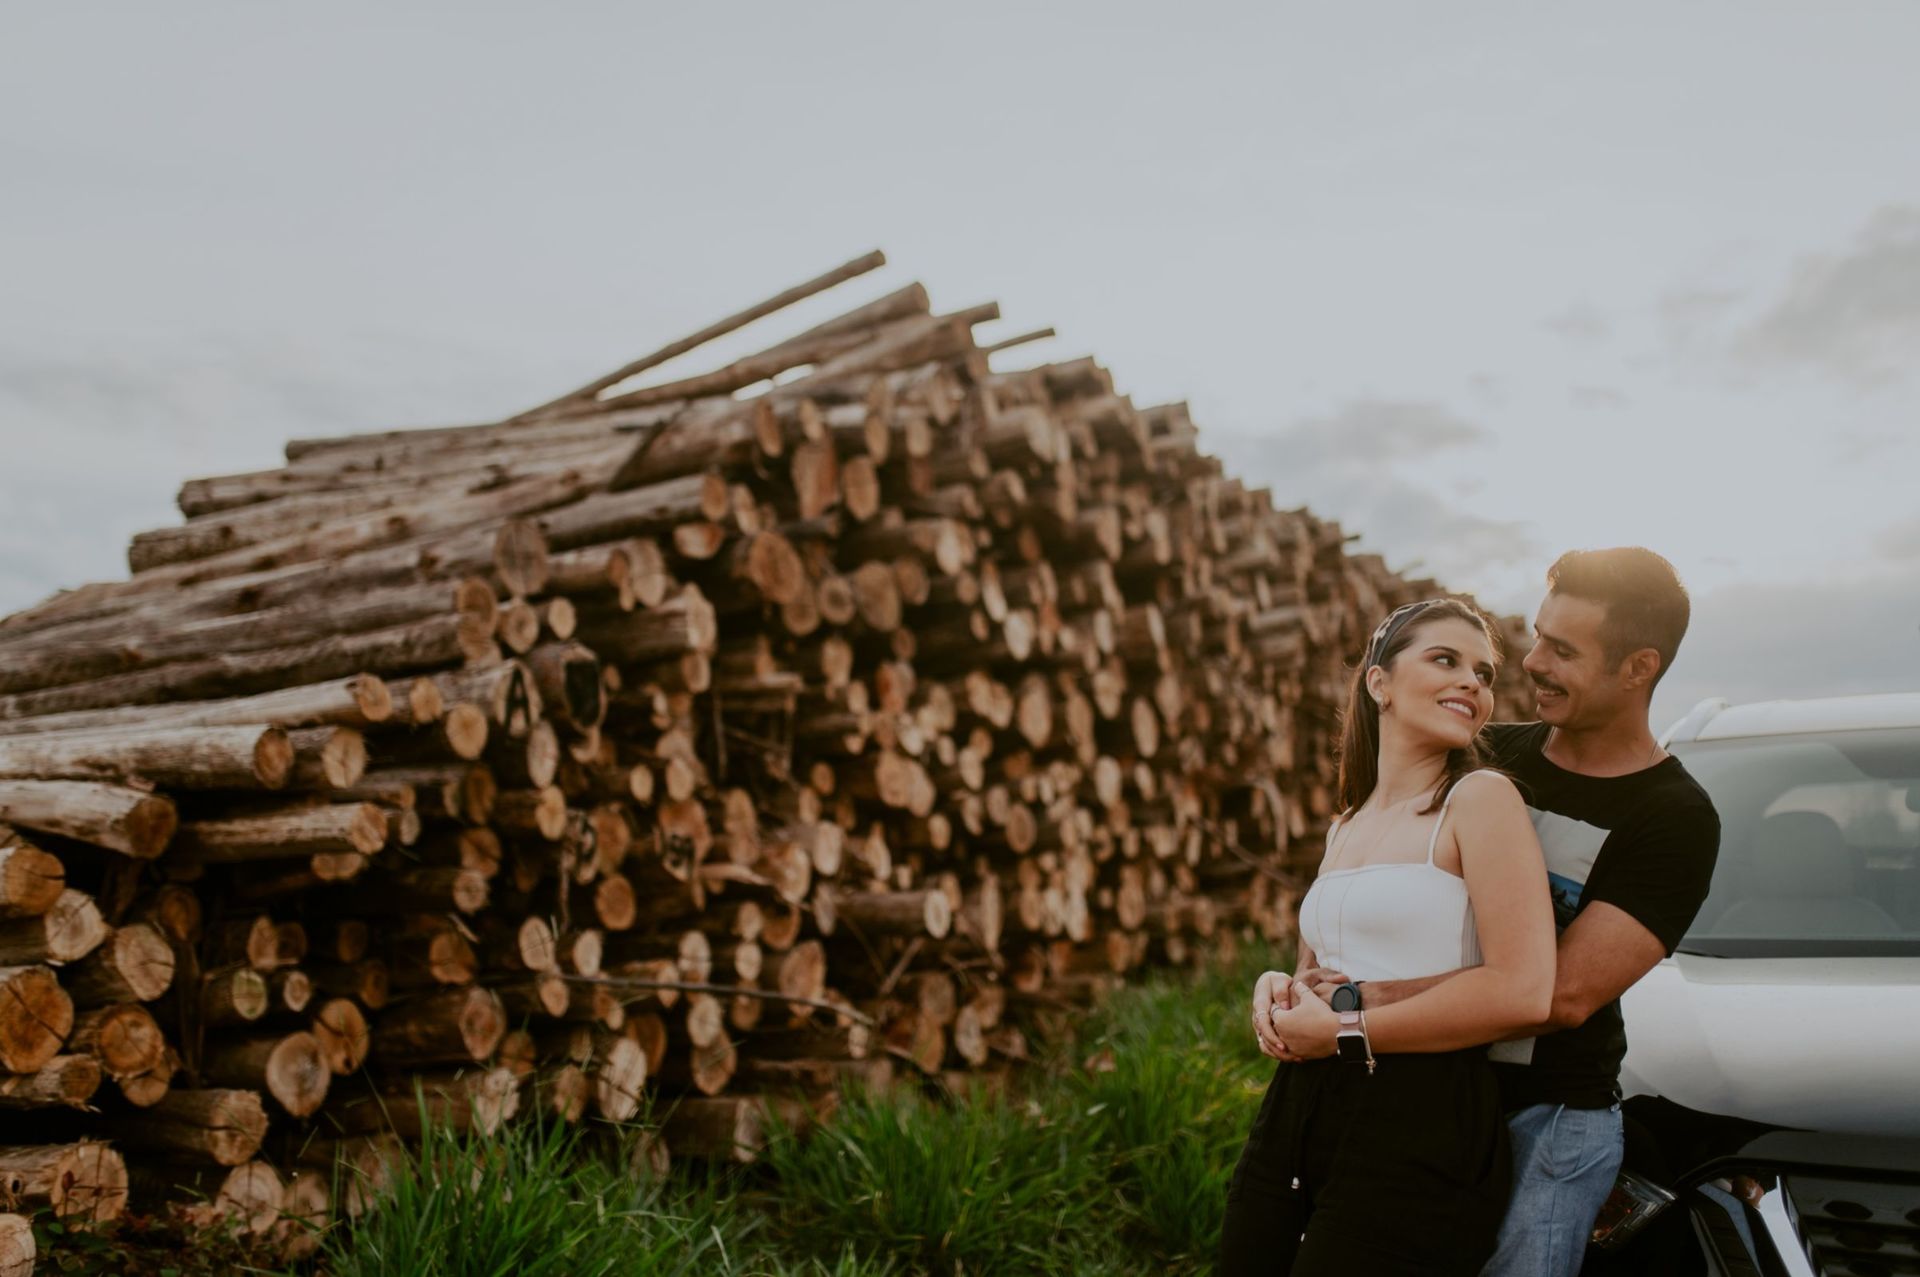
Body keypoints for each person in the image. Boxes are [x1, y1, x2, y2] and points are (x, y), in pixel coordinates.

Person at [1250, 547, 1721, 1277]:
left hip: (1546, 1114)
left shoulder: (1674, 817)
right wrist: (1306, 980)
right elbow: (1377, 878)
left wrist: (1349, 1006)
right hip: (1416, 1088)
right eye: (1538, 637)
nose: (1532, 663)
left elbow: (1558, 995)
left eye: (1563, 650)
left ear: (1638, 668)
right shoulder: (1488, 753)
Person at [1218, 597, 1557, 1275]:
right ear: (1380, 682)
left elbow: (1523, 991)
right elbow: (1320, 972)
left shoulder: (1481, 799)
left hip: (1421, 1115)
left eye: (1484, 673)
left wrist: (1346, 1032)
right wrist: (1277, 989)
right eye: (1445, 660)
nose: (1471, 683)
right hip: (1300, 1105)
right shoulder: (1346, 822)